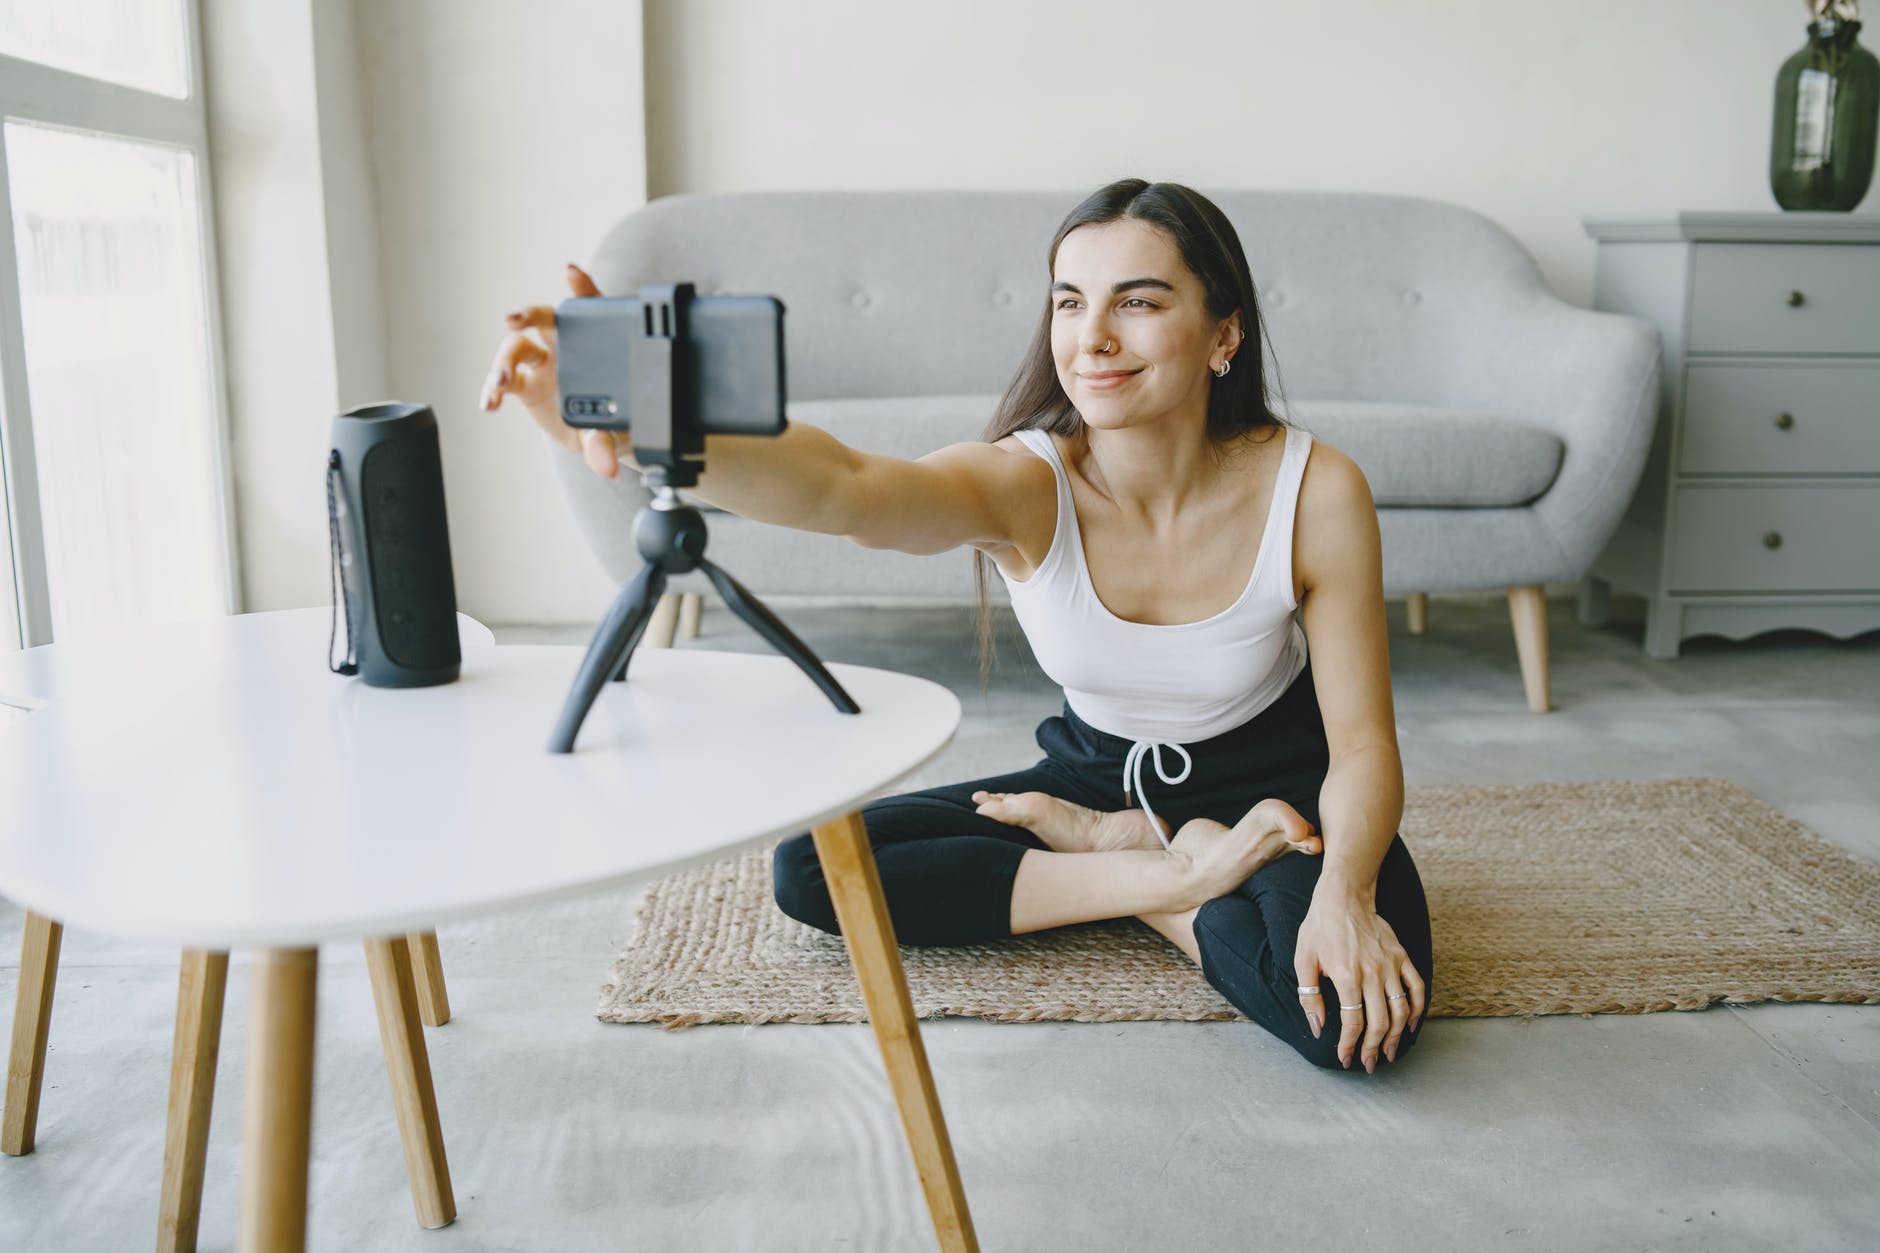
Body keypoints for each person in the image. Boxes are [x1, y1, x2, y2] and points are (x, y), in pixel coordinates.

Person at [481, 178, 1433, 1074]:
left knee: (1347, 1018)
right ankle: (1152, 869)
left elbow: (1359, 744)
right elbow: (847, 487)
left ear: (1224, 333)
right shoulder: (1028, 481)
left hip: (1281, 794)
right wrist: (661, 426)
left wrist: (1345, 892)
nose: (1092, 336)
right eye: (1068, 302)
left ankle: (1131, 856)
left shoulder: (1316, 488)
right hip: (1093, 774)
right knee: (816, 868)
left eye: (1137, 302)